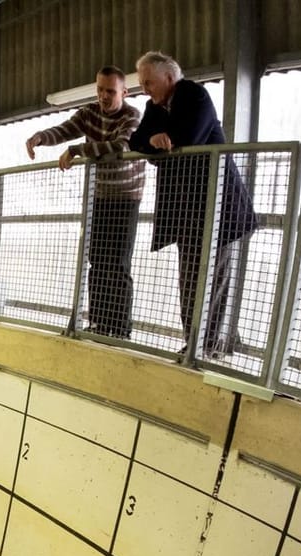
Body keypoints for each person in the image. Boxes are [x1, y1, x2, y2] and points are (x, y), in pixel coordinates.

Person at [129, 51, 258, 357]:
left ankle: (207, 349)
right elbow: (136, 141)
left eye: (148, 82)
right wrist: (154, 141)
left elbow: (188, 139)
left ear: (169, 78)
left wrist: (159, 142)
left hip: (220, 211)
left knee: (211, 281)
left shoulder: (194, 95)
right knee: (191, 282)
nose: (145, 89)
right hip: (189, 212)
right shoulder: (154, 106)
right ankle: (197, 344)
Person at [25, 66, 144, 339]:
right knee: (97, 259)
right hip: (99, 195)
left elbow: (120, 147)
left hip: (126, 197)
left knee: (118, 262)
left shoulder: (132, 116)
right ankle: (99, 322)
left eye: (110, 92)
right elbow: (66, 129)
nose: (103, 96)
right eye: (100, 89)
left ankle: (120, 329)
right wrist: (41, 137)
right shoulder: (89, 113)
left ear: (124, 93)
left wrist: (79, 150)